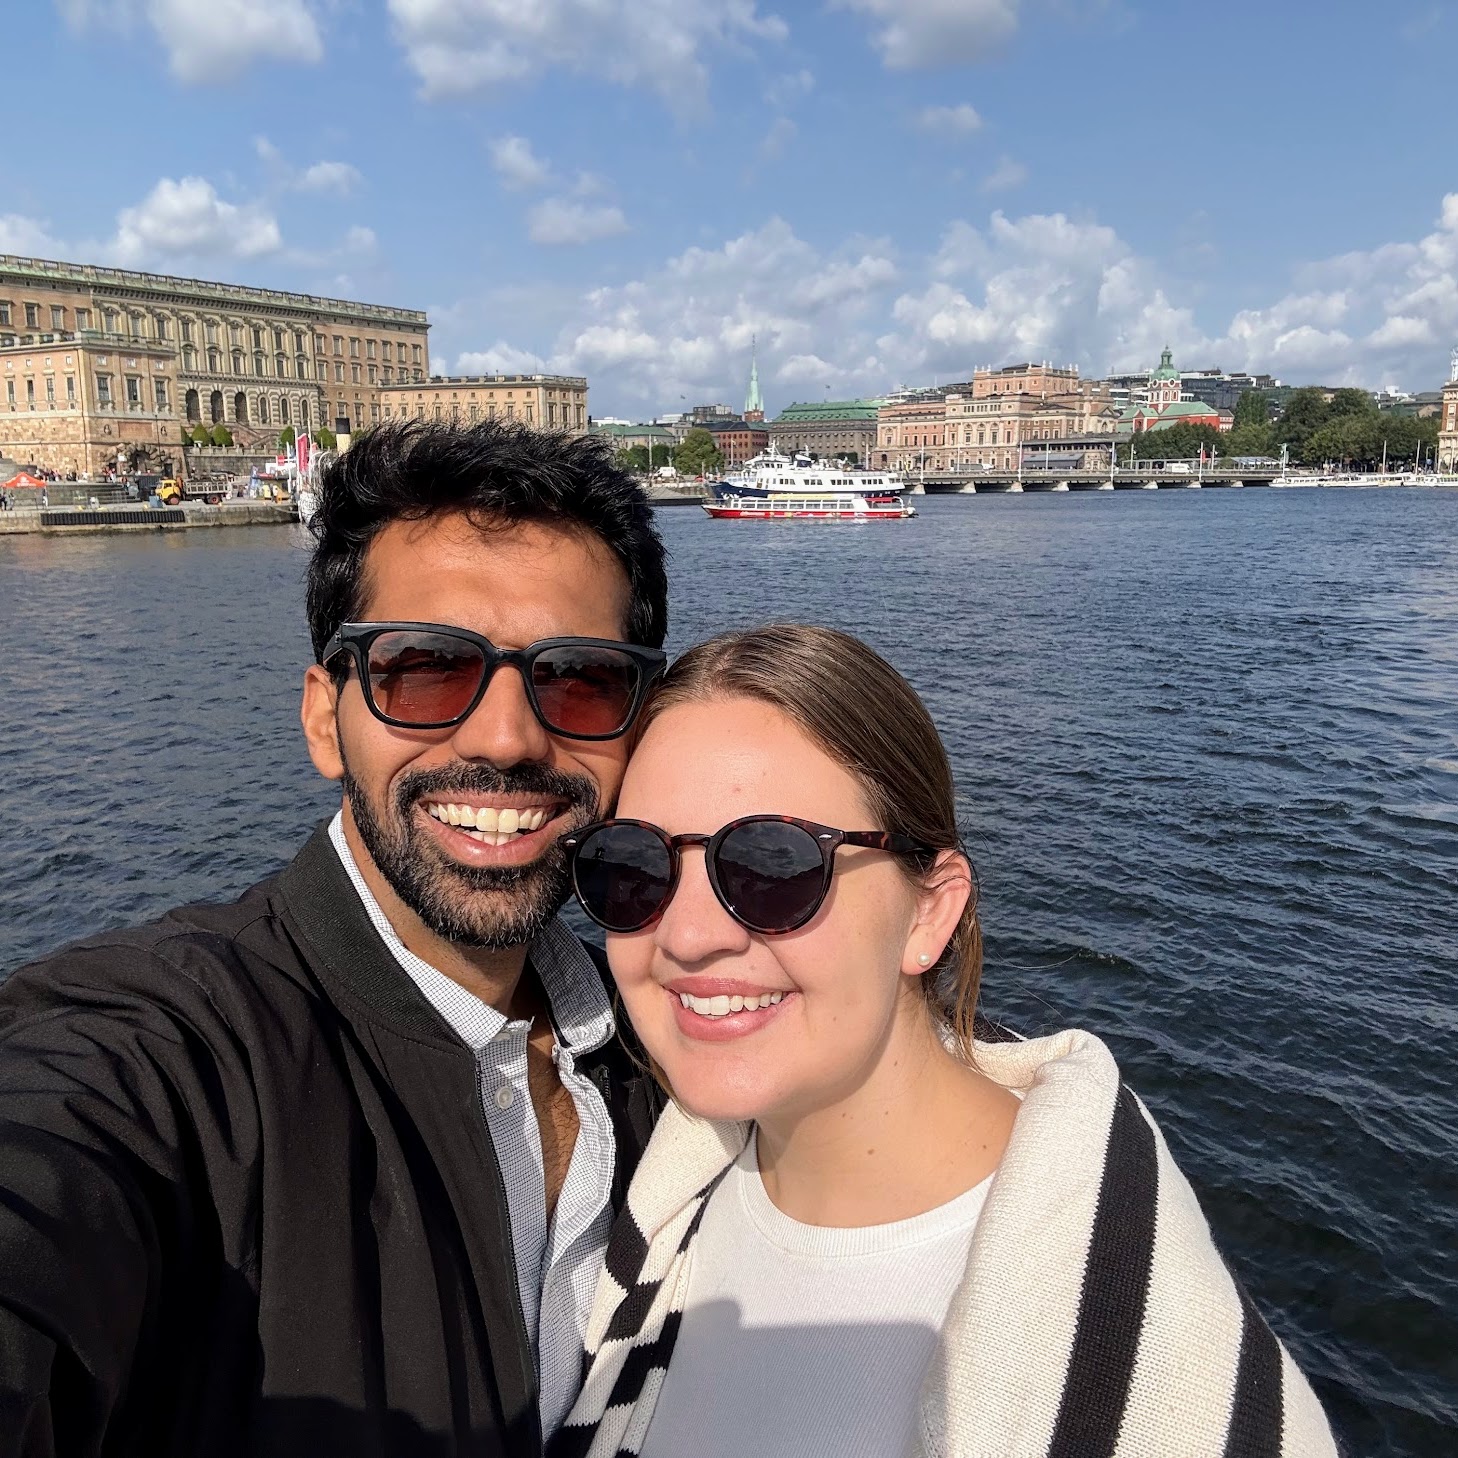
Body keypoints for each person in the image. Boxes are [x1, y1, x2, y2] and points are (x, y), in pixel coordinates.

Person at [0, 419, 670, 1457]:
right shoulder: (168, 1056)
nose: (505, 736)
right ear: (326, 719)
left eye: (580, 679)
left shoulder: (674, 1043)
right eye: (425, 670)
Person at [550, 624, 1339, 1458]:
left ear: (930, 911)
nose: (688, 936)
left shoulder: (1156, 1364)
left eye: (773, 867)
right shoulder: (652, 1210)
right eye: (632, 865)